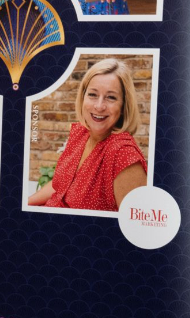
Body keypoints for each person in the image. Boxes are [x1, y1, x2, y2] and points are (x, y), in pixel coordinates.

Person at [28, 57, 147, 211]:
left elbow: (131, 223)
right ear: (83, 97)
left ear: (124, 106)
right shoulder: (81, 133)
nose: (99, 106)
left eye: (111, 97)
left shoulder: (123, 154)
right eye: (92, 94)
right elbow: (60, 186)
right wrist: (26, 203)